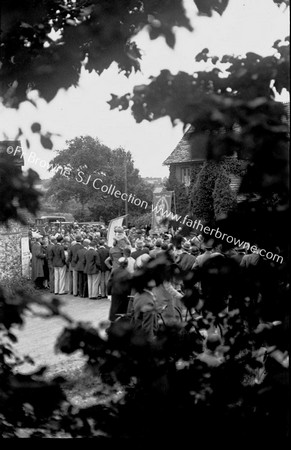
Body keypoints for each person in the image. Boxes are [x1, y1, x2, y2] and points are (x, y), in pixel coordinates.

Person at [107, 257, 132, 322]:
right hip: (124, 293)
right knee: (123, 308)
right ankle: (121, 320)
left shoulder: (114, 271)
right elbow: (129, 285)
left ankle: (112, 319)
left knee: (114, 306)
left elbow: (110, 282)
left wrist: (109, 293)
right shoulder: (127, 273)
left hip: (115, 292)